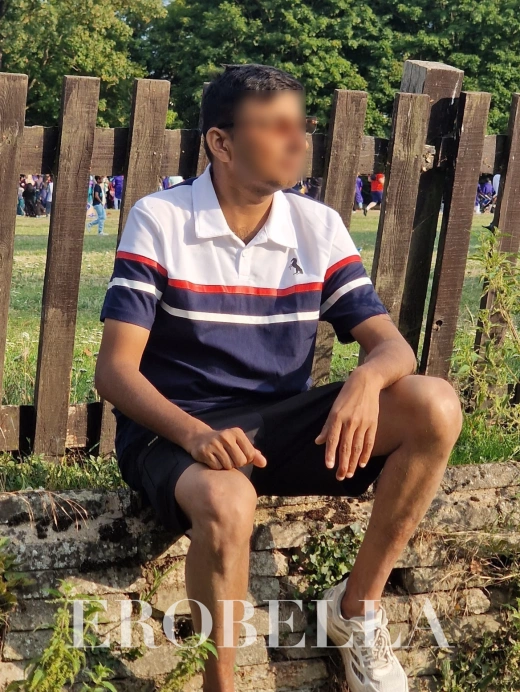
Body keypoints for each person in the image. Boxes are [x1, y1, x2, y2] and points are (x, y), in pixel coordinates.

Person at [95, 63, 463, 692]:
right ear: (221, 142)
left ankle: (356, 610)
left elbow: (391, 346)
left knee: (434, 404)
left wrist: (365, 382)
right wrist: (194, 434)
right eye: (276, 127)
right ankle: (220, 685)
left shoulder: (316, 225)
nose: (298, 142)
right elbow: (114, 370)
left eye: (302, 126)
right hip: (176, 433)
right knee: (227, 500)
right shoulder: (161, 219)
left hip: (278, 429)